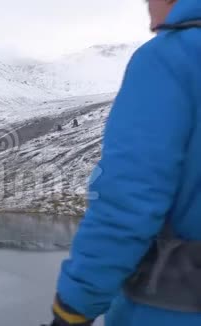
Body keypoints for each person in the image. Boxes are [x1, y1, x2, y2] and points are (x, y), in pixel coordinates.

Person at [47, 0, 201, 325]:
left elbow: (127, 202)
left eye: (149, 3)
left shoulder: (171, 57)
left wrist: (72, 309)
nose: (152, 22)